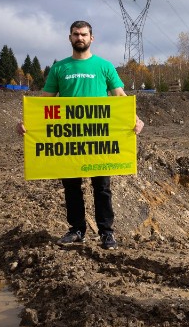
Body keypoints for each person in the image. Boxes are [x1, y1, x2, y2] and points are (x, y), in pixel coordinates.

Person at [18, 20, 144, 250]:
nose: (80, 38)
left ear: (91, 38)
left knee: (102, 188)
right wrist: (27, 123)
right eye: (76, 34)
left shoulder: (104, 67)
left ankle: (106, 232)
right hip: (69, 139)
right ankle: (77, 229)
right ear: (70, 38)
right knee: (72, 187)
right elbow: (45, 100)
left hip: (99, 139)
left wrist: (135, 119)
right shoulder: (60, 68)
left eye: (84, 34)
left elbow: (120, 96)